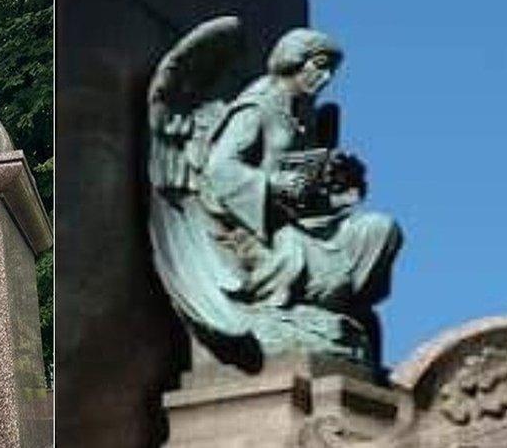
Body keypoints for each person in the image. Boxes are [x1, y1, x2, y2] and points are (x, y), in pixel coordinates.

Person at [149, 22, 403, 367]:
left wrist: (337, 187)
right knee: (314, 262)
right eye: (319, 66)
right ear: (294, 61)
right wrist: (274, 187)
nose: (325, 78)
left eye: (330, 70)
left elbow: (306, 180)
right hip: (260, 230)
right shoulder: (257, 107)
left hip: (303, 221)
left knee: (380, 229)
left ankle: (325, 307)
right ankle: (296, 306)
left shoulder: (304, 115)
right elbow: (220, 170)